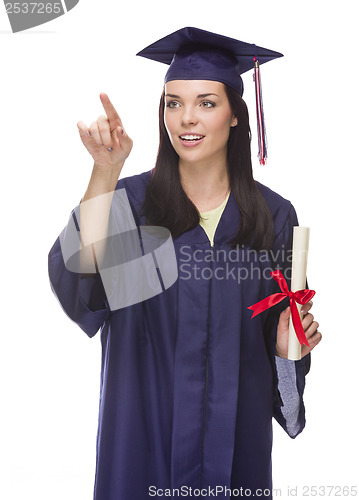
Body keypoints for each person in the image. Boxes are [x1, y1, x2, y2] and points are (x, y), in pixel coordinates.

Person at [48, 27, 322, 500]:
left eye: (207, 103)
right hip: (141, 445)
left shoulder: (273, 217)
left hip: (235, 454)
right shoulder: (133, 203)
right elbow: (80, 286)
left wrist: (286, 353)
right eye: (173, 103)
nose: (186, 118)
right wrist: (105, 172)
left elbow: (283, 355)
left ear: (236, 114)